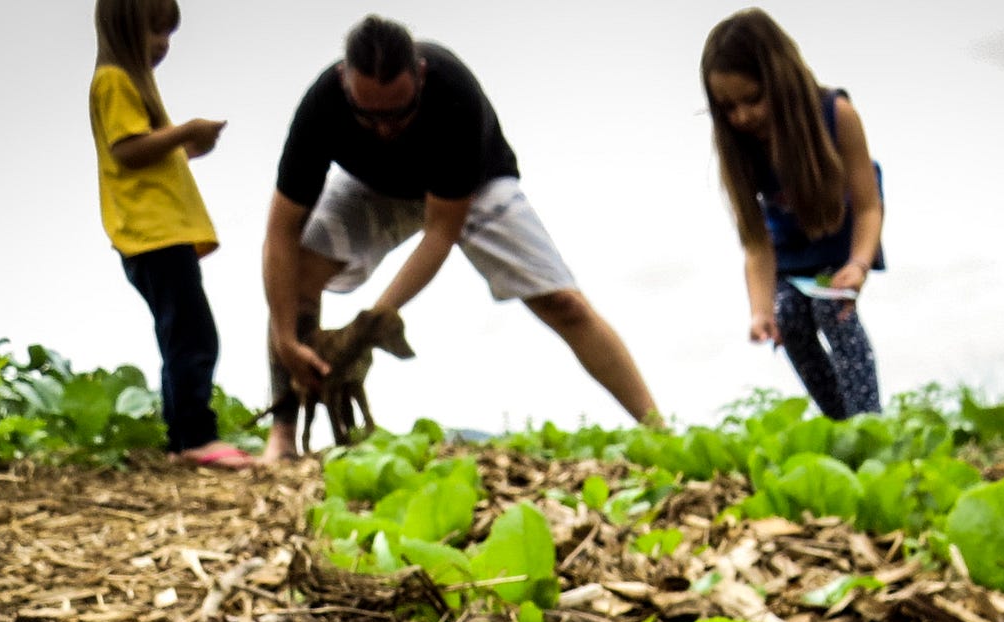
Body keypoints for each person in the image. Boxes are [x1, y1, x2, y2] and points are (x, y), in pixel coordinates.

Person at [261, 15, 658, 461]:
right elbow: (280, 231)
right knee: (296, 276)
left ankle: (657, 431)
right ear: (344, 81)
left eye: (398, 113)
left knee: (563, 303)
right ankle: (282, 435)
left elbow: (439, 233)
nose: (385, 129)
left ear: (421, 75)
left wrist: (369, 325)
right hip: (371, 187)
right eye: (367, 115)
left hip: (472, 187)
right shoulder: (321, 106)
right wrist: (283, 336)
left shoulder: (453, 92)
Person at [89, 0, 251, 468]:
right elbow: (128, 151)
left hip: (155, 237)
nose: (162, 45)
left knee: (182, 334)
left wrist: (188, 145)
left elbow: (146, 157)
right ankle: (196, 439)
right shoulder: (115, 81)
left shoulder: (125, 84)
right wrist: (186, 131)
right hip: (152, 235)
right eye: (154, 32)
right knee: (193, 336)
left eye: (167, 34)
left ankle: (182, 438)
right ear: (124, 29)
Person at [703, 9, 885, 420]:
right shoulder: (742, 146)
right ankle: (842, 426)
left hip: (844, 242)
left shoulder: (837, 115)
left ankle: (870, 424)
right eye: (728, 107)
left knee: (832, 312)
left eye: (753, 99)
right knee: (788, 319)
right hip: (790, 252)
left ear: (782, 81)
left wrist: (859, 264)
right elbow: (756, 244)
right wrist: (760, 311)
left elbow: (870, 205)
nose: (743, 116)